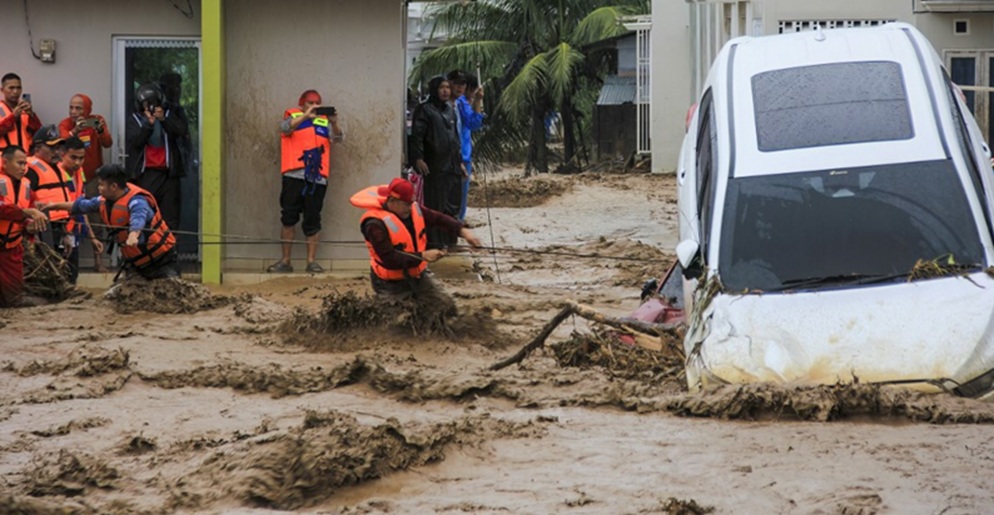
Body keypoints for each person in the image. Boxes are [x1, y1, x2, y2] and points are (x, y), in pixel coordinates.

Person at [350, 177, 481, 308]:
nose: (410, 207)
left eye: (411, 203)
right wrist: (422, 256)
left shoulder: (413, 209)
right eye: (406, 204)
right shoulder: (374, 225)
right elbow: (389, 259)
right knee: (402, 321)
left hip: (417, 276)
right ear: (392, 201)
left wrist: (463, 231)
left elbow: (438, 219)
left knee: (446, 306)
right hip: (389, 283)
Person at [41, 164, 178, 281]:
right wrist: (53, 206)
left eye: (101, 185)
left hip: (162, 262)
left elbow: (138, 218)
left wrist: (133, 235)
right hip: (136, 265)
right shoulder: (103, 201)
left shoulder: (137, 201)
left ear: (113, 186)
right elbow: (80, 205)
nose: (98, 188)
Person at [268, 89, 344, 274]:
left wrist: (334, 123)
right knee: (288, 217)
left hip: (317, 179)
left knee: (313, 219)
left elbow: (339, 138)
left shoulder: (323, 122)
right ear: (302, 104)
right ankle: (285, 261)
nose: (314, 106)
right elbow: (284, 129)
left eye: (317, 102)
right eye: (310, 102)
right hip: (294, 176)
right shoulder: (292, 117)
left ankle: (311, 261)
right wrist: (305, 116)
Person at [59, 94, 112, 272]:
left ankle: (99, 260)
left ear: (87, 109)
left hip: (93, 179)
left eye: (78, 108)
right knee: (70, 217)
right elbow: (63, 143)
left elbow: (108, 143)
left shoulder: (96, 121)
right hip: (70, 177)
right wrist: (75, 131)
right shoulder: (66, 124)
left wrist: (100, 131)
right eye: (71, 107)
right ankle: (69, 263)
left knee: (96, 219)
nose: (74, 111)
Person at [125, 82, 188, 232]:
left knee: (170, 217)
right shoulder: (135, 119)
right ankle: (148, 250)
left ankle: (170, 252)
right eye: (147, 103)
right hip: (146, 174)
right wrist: (149, 124)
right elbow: (136, 142)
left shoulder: (169, 115)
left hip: (168, 175)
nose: (151, 107)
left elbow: (181, 131)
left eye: (154, 103)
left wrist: (164, 120)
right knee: (147, 214)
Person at [409, 76, 462, 249]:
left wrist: (459, 162)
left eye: (447, 87)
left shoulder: (450, 109)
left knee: (453, 204)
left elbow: (454, 138)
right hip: (435, 165)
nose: (446, 90)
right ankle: (435, 243)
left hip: (452, 165)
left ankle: (450, 241)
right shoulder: (425, 109)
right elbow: (417, 136)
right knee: (436, 206)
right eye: (441, 87)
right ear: (434, 89)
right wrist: (418, 158)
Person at [25, 125, 80, 282]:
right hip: (42, 228)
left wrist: (66, 232)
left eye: (58, 147)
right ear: (37, 147)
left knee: (63, 269)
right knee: (45, 270)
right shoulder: (30, 170)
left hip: (59, 227)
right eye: (51, 147)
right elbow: (23, 201)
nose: (56, 151)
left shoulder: (60, 170)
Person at [0, 145, 48, 307]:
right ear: (5, 163)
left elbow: (28, 213)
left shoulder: (27, 187)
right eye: (19, 163)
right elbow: (3, 209)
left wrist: (30, 225)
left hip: (12, 248)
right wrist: (27, 213)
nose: (23, 168)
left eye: (25, 164)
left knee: (14, 298)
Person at [452, 73, 484, 220]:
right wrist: (477, 102)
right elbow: (474, 123)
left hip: (462, 155)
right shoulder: (461, 103)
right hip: (461, 156)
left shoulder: (459, 103)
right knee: (459, 196)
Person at [0, 73, 42, 151]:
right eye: (11, 88)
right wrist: (13, 118)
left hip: (25, 156)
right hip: (4, 158)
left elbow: (39, 134)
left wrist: (32, 116)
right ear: (2, 90)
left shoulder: (25, 108)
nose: (15, 91)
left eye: (18, 88)